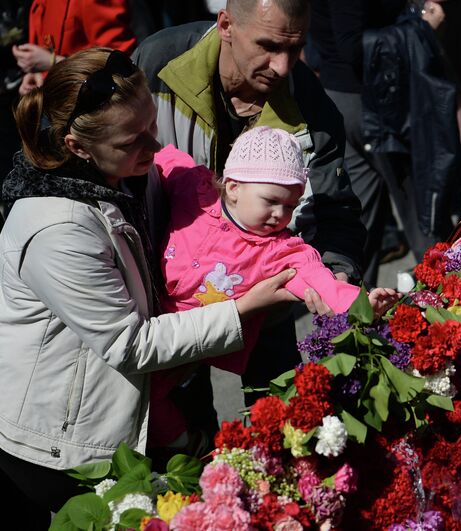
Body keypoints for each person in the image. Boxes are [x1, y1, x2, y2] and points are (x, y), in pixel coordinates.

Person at [0, 47, 299, 526]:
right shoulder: (58, 227)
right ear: (78, 147)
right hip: (65, 443)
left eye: (152, 125)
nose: (155, 145)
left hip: (147, 404)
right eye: (132, 139)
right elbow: (129, 342)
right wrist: (241, 308)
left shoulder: (131, 175)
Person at [132, 0, 367, 434]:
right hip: (169, 300)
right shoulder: (159, 63)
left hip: (268, 298)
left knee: (281, 428)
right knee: (181, 436)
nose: (281, 66)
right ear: (225, 25)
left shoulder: (312, 107)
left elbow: (335, 211)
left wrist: (334, 279)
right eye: (268, 45)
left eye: (295, 50)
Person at [149, 126, 398, 455]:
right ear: (234, 187)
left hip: (208, 340)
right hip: (161, 331)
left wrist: (362, 304)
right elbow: (163, 160)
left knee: (163, 402)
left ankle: (194, 450)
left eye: (291, 206)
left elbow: (318, 280)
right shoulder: (194, 190)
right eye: (271, 201)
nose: (281, 215)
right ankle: (188, 446)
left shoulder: (281, 252)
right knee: (147, 401)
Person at [310, 0, 460, 286]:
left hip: (344, 99)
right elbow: (351, 45)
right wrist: (422, 26)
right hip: (372, 104)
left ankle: (350, 320)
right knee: (425, 218)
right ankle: (454, 309)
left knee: (357, 227)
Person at [12, 0, 137, 95]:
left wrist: (53, 62)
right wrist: (36, 72)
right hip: (57, 103)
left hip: (92, 112)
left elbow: (120, 64)